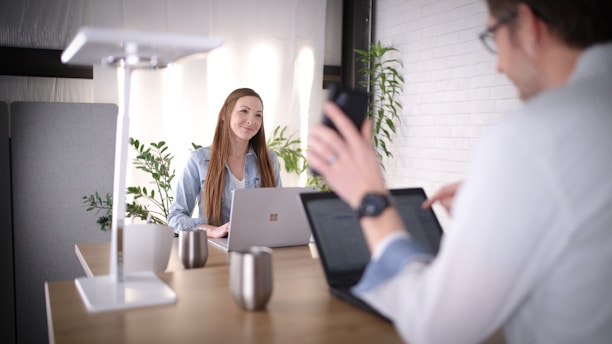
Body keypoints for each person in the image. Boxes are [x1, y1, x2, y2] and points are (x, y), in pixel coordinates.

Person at [306, 0, 612, 343]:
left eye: (493, 35)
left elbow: (437, 328)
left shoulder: (533, 136)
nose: (498, 65)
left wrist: (370, 199)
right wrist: (506, 203)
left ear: (527, 25)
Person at [168, 88, 282, 238]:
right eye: (243, 111)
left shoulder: (269, 159)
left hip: (260, 245)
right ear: (224, 114)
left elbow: (279, 211)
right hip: (215, 251)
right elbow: (175, 217)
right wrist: (210, 230)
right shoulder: (199, 160)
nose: (251, 120)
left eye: (258, 115)